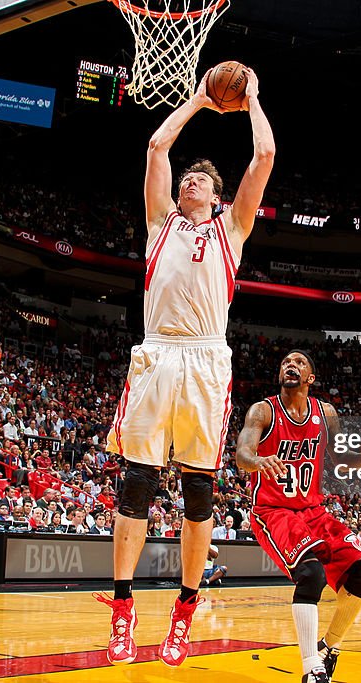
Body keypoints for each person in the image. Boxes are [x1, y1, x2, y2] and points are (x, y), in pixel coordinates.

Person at [96, 65, 275, 669]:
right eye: (188, 177)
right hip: (156, 352)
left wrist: (250, 102)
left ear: (216, 195)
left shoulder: (232, 228)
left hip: (205, 356)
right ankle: (123, 612)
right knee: (138, 481)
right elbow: (156, 145)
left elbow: (266, 154)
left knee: (199, 489)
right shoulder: (158, 223)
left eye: (201, 178)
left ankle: (184, 610)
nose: (191, 181)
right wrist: (199, 100)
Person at [237, 350, 361, 683]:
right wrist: (257, 461)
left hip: (314, 510)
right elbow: (243, 451)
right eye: (286, 362)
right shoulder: (263, 410)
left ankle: (328, 647)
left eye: (299, 363)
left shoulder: (325, 412)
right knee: (311, 574)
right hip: (273, 511)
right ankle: (310, 668)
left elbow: (340, 458)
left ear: (310, 378)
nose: (291, 365)